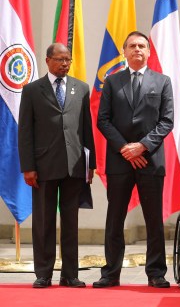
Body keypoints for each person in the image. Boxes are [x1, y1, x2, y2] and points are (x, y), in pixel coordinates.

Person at [94, 31, 174, 288]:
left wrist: (142, 147)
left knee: (153, 220)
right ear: (125, 52)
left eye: (141, 46)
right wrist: (125, 149)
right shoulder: (112, 81)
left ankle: (156, 273)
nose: (137, 49)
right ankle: (110, 273)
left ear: (148, 51)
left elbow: (167, 121)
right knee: (115, 218)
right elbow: (103, 120)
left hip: (150, 159)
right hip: (119, 161)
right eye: (132, 46)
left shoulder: (162, 81)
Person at [18, 43, 95, 288]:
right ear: (48, 60)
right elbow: (25, 131)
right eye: (60, 59)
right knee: (44, 222)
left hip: (74, 165)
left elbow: (86, 128)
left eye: (68, 60)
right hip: (43, 166)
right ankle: (44, 273)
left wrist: (90, 164)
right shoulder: (32, 90)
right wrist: (28, 167)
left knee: (71, 222)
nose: (64, 64)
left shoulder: (81, 88)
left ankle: (70, 274)